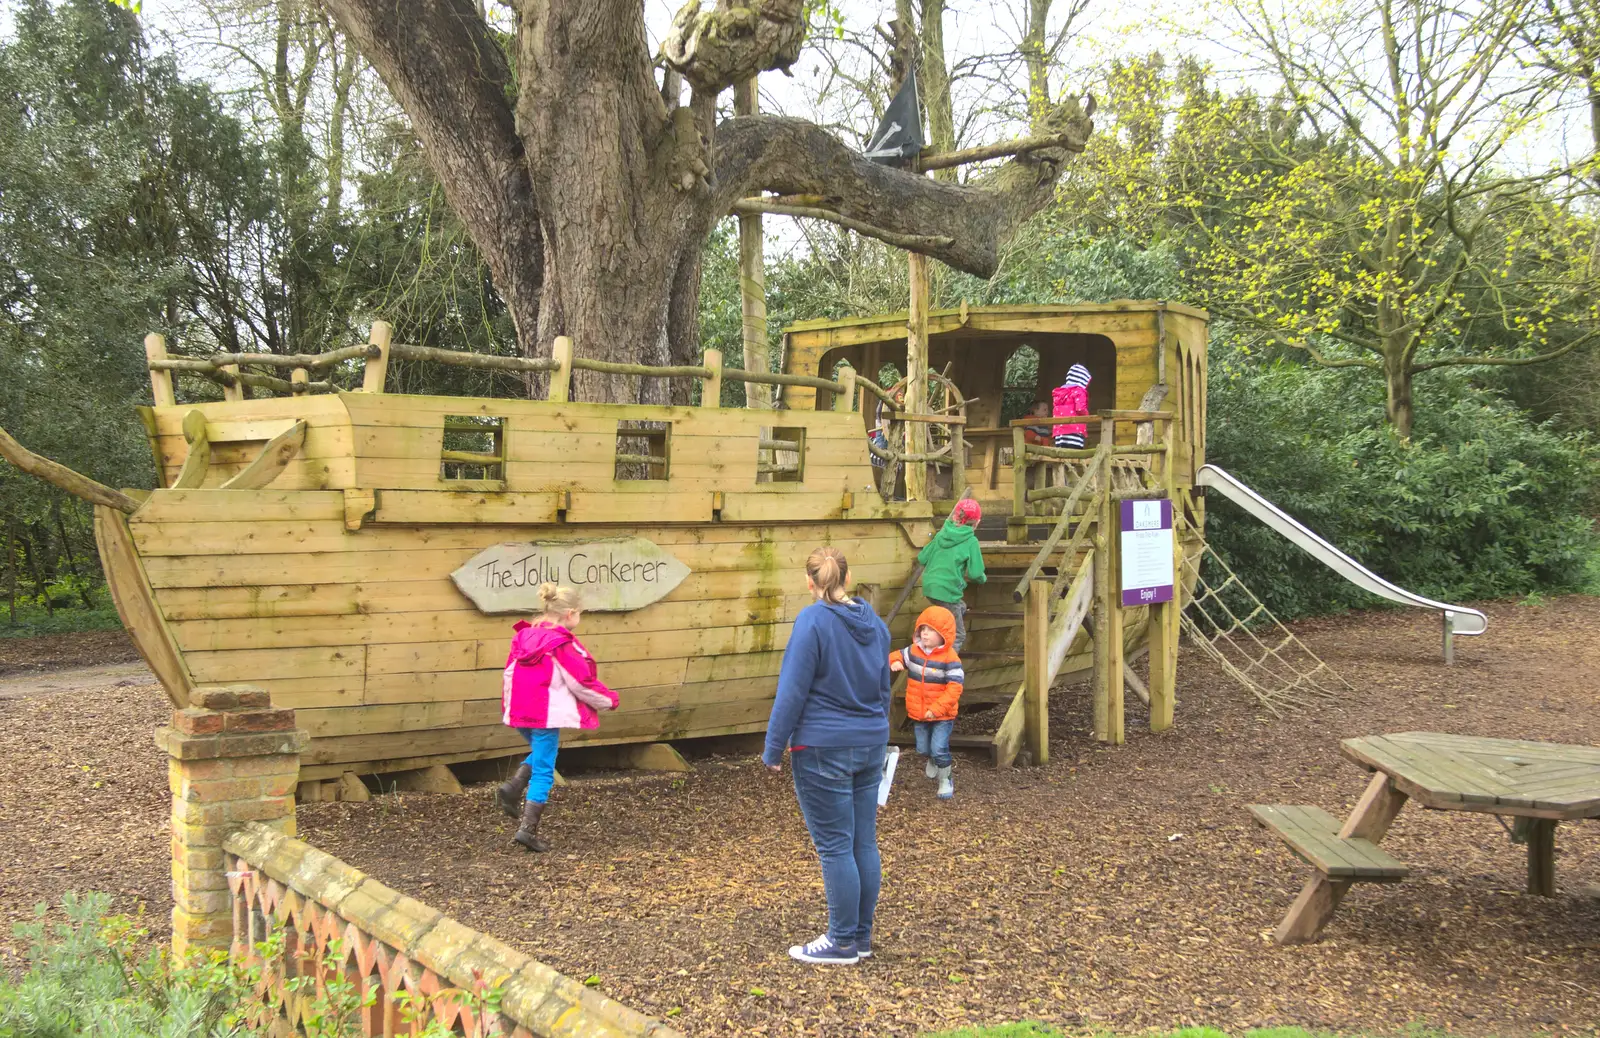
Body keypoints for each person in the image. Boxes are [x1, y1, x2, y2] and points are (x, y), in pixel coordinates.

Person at [763, 546, 892, 965]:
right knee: (862, 842)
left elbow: (793, 689)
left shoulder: (812, 620)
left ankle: (841, 941)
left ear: (810, 582)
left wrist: (773, 745)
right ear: (848, 578)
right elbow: (883, 685)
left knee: (836, 846)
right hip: (871, 740)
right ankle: (862, 937)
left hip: (823, 746)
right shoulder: (875, 622)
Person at [495, 582, 619, 852]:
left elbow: (508, 674)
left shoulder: (524, 637)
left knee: (541, 753)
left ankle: (514, 787)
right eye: (580, 614)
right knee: (544, 769)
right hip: (544, 714)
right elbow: (580, 682)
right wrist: (609, 700)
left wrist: (509, 708)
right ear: (570, 613)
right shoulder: (561, 644)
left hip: (519, 711)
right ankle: (527, 829)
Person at [888, 605, 964, 800]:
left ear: (943, 634)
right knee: (922, 748)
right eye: (923, 629)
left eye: (931, 630)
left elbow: (955, 687)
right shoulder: (914, 651)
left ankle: (945, 780)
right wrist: (894, 661)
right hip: (919, 713)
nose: (925, 633)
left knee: (939, 748)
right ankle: (932, 757)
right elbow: (896, 655)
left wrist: (937, 709)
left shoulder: (950, 659)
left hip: (942, 714)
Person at [916, 498, 987, 653]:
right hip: (947, 592)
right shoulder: (971, 541)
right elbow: (976, 573)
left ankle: (939, 636)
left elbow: (922, 557)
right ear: (977, 522)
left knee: (959, 607)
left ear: (954, 516)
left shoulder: (941, 534)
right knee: (958, 635)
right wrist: (983, 578)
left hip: (929, 588)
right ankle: (945, 663)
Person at [1052, 363, 1093, 449]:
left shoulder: (1059, 393)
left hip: (1059, 431)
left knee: (1061, 454)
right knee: (1074, 454)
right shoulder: (1079, 392)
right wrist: (1087, 416)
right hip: (1074, 430)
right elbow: (1080, 409)